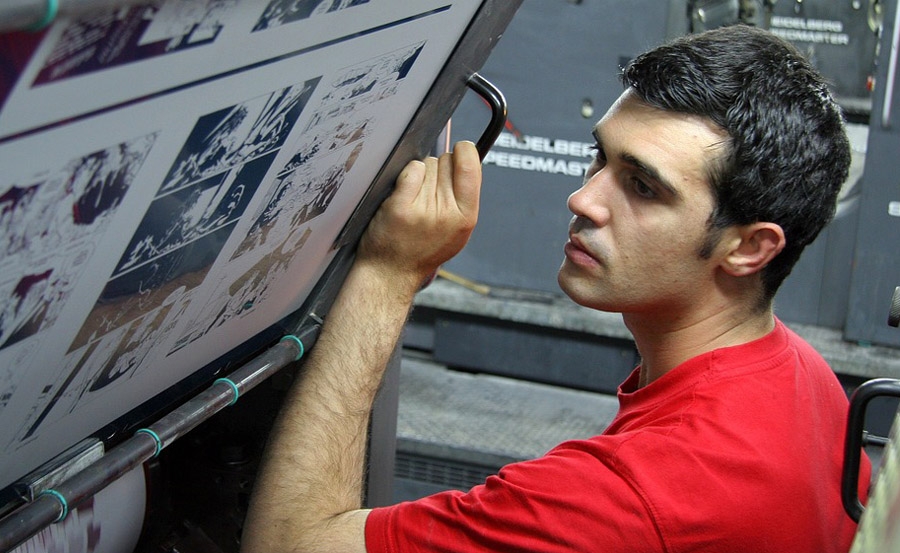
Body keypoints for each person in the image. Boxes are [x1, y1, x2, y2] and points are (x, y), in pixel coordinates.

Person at [240, 24, 872, 553]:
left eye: (643, 187)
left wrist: (386, 274)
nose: (583, 199)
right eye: (601, 160)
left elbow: (287, 545)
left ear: (749, 248)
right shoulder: (805, 381)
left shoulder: (627, 496)